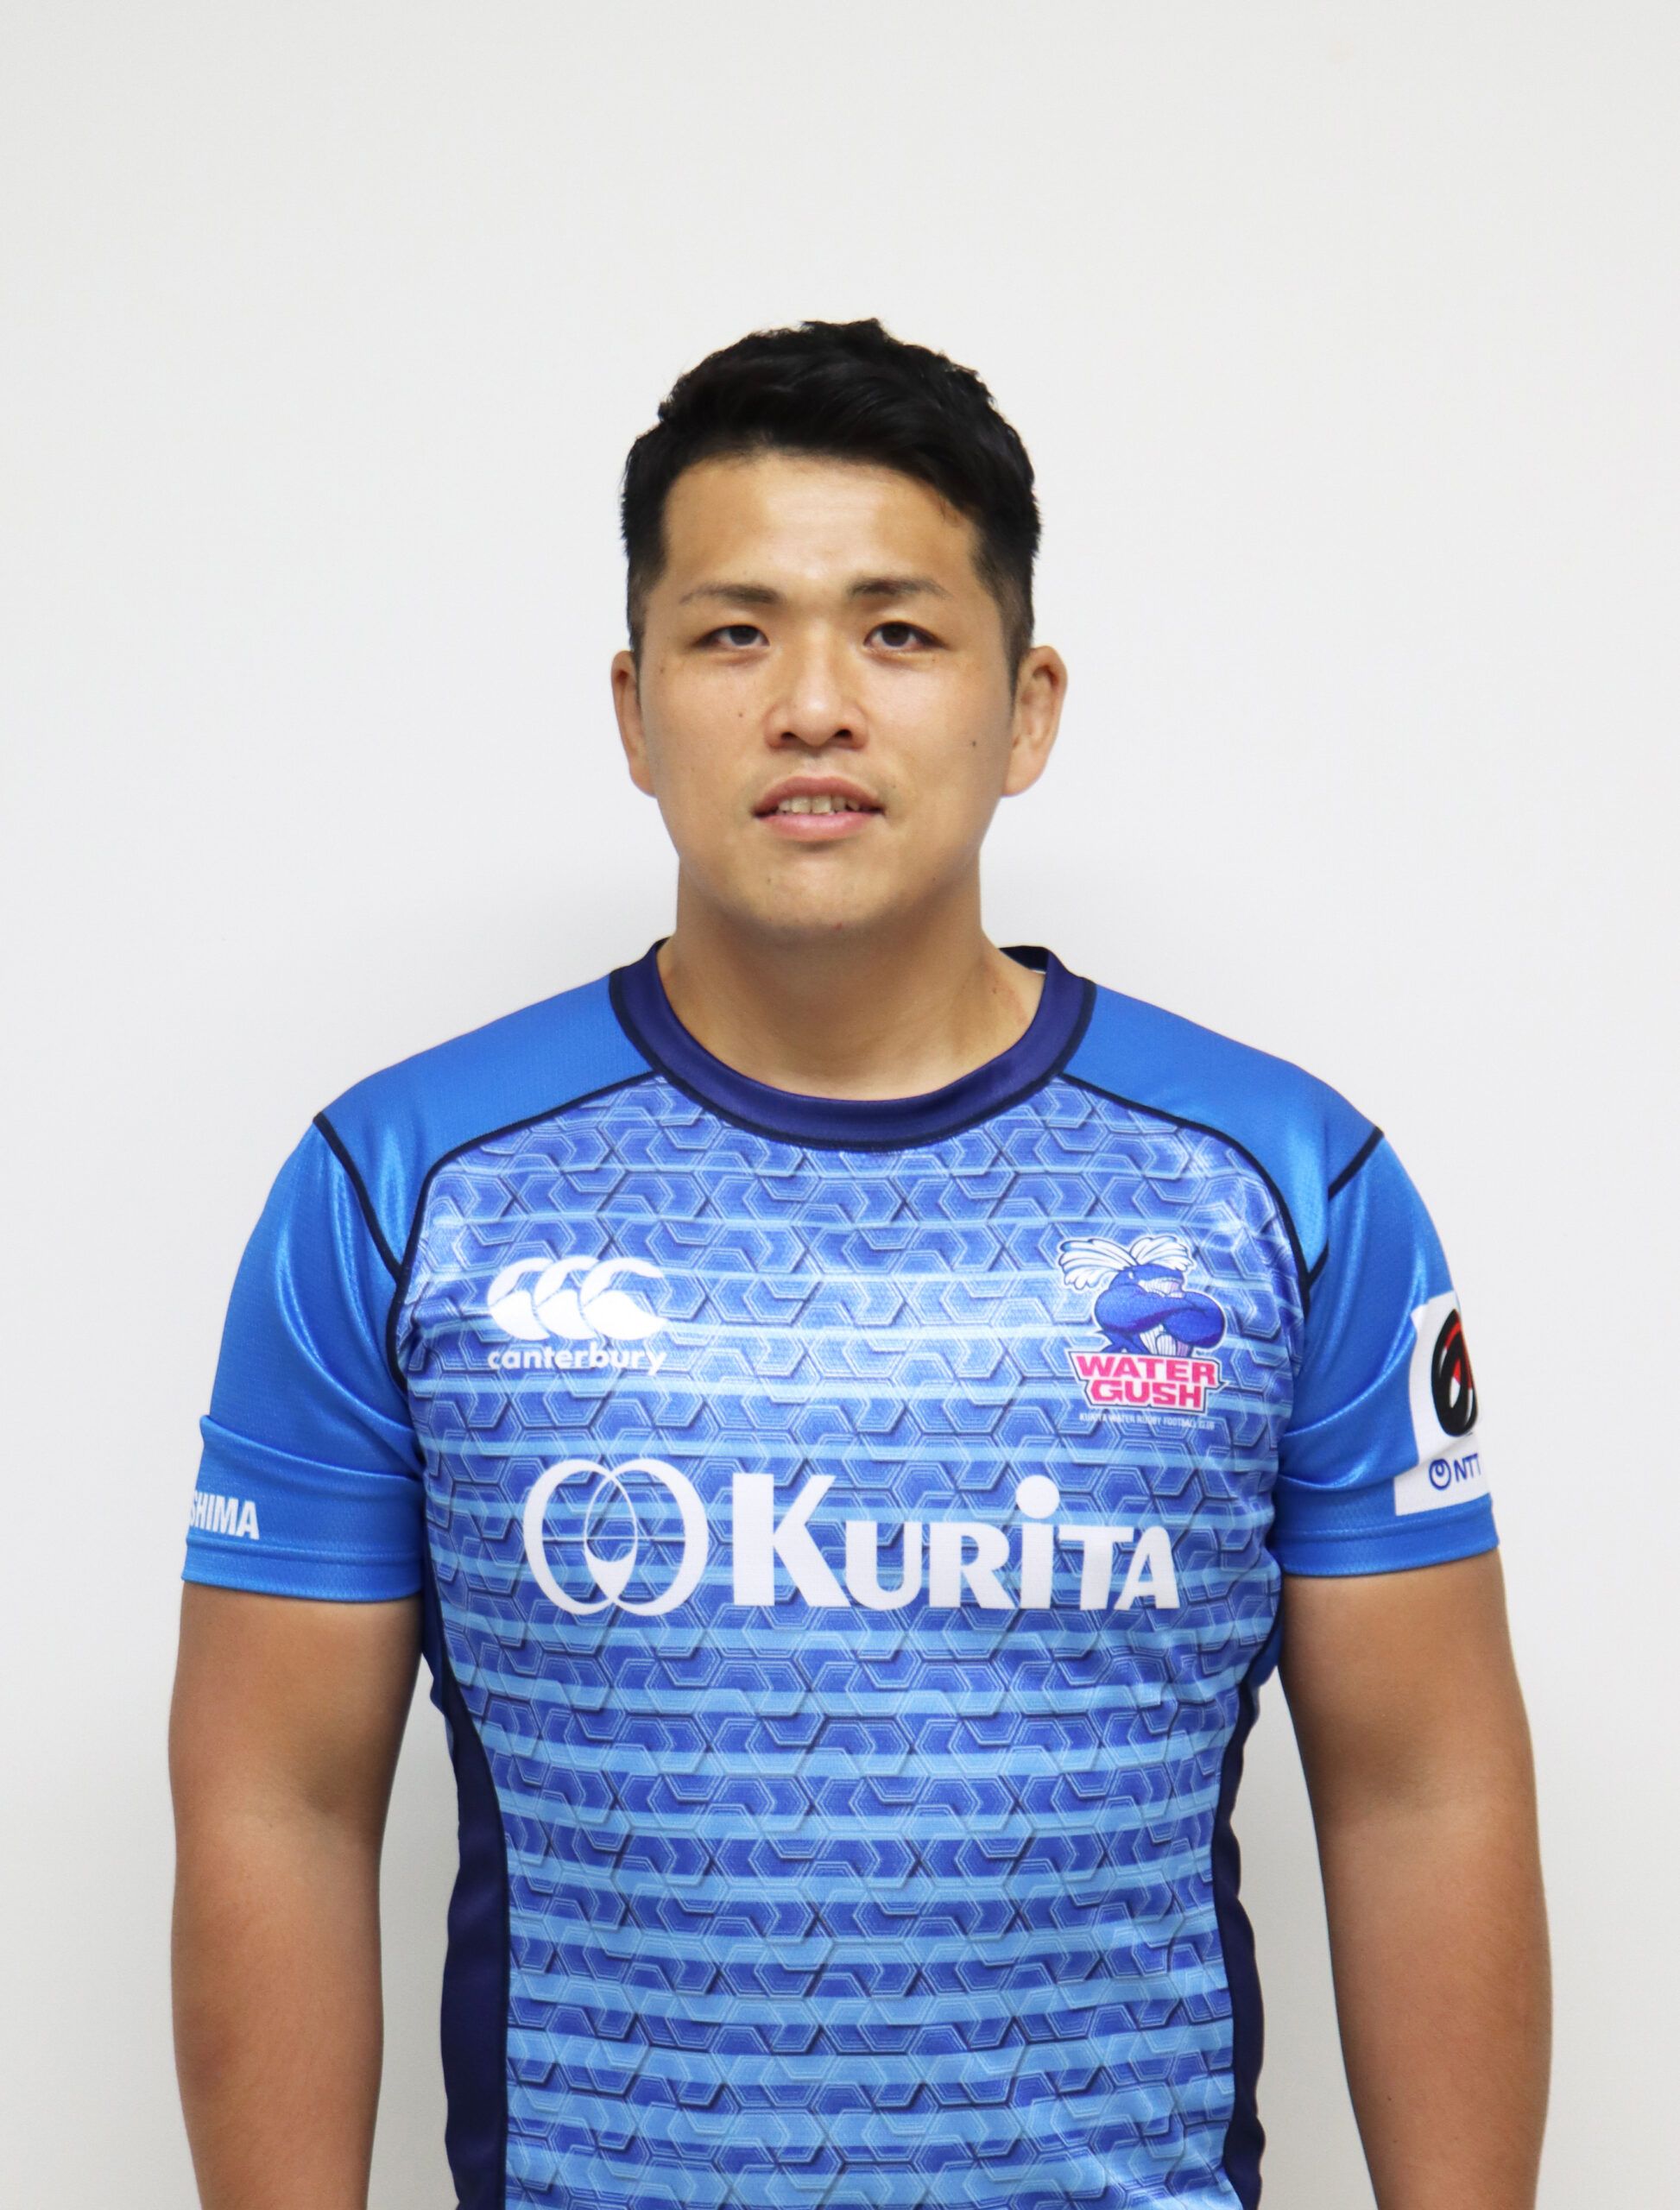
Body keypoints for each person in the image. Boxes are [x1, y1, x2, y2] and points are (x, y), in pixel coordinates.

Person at [170, 319, 1549, 2210]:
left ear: (1026, 705)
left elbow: (1423, 1789)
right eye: (734, 633)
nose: (814, 703)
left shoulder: (1292, 1186)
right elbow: (280, 1800)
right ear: (635, 708)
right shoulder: (399, 1188)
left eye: (897, 631)